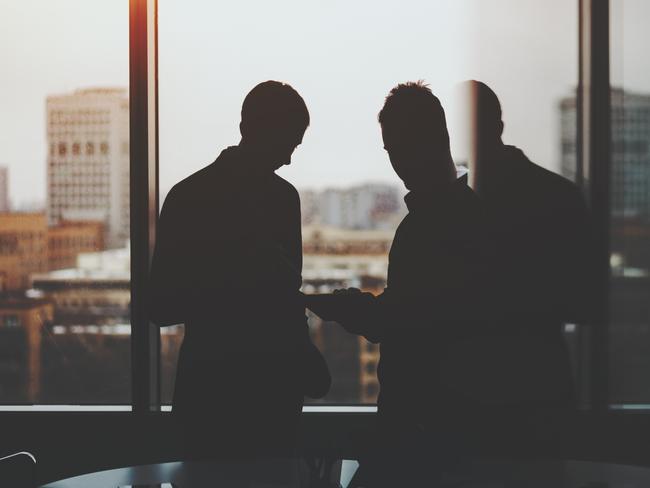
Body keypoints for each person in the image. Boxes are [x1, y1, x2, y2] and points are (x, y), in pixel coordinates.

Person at [307, 81, 494, 485]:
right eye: (393, 151)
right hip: (443, 429)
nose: (398, 162)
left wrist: (346, 307)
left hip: (421, 429)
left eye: (399, 148)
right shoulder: (470, 216)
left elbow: (407, 320)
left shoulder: (427, 226)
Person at [149, 80, 330, 458]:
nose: (290, 159)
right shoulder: (283, 200)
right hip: (272, 396)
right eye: (289, 144)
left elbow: (161, 307)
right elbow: (286, 294)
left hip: (208, 392)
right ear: (259, 131)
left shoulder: (187, 197)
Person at [457, 80, 595, 408]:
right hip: (543, 379)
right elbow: (584, 301)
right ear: (499, 126)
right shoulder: (560, 194)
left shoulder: (454, 206)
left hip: (471, 390)